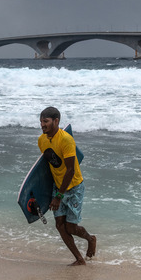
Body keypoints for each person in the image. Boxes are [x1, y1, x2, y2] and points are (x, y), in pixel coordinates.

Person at [38, 107, 97, 266]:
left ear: (56, 121)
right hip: (58, 187)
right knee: (59, 226)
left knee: (70, 227)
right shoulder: (42, 141)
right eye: (41, 121)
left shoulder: (66, 140)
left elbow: (70, 170)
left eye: (46, 121)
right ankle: (79, 259)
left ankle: (90, 239)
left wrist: (58, 197)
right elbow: (47, 168)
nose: (42, 125)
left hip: (73, 187)